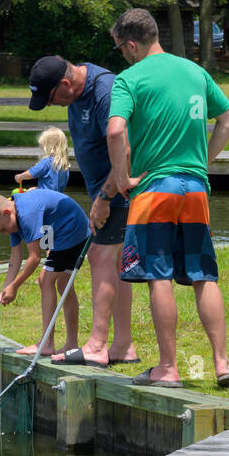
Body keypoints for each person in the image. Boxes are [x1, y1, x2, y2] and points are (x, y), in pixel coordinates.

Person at [100, 7, 229, 388]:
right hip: (195, 188)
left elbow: (115, 132)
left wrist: (123, 177)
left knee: (158, 275)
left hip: (154, 191)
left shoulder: (129, 79)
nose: (122, 56)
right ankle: (222, 364)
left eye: (120, 49)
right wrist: (201, 162)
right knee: (203, 275)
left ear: (131, 44)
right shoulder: (195, 71)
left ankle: (167, 368)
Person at [27, 55, 139, 367]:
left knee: (100, 257)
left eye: (51, 99)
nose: (53, 105)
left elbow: (126, 149)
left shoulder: (104, 91)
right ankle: (122, 346)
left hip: (117, 191)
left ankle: (97, 345)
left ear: (65, 84)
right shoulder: (76, 94)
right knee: (117, 265)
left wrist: (104, 197)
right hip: (107, 191)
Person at [0, 190, 91, 360]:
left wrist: (15, 286)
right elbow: (15, 256)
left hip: (72, 231)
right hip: (71, 230)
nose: (5, 233)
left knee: (45, 280)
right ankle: (71, 344)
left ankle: (46, 344)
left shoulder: (26, 214)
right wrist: (7, 286)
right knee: (63, 284)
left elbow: (34, 257)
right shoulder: (13, 216)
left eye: (2, 229)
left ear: (6, 213)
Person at [13, 127, 71, 192]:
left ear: (49, 146)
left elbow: (31, 174)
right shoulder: (64, 164)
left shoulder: (47, 161)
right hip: (58, 196)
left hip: (45, 197)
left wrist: (20, 177)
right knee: (31, 190)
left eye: (43, 146)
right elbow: (51, 186)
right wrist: (37, 188)